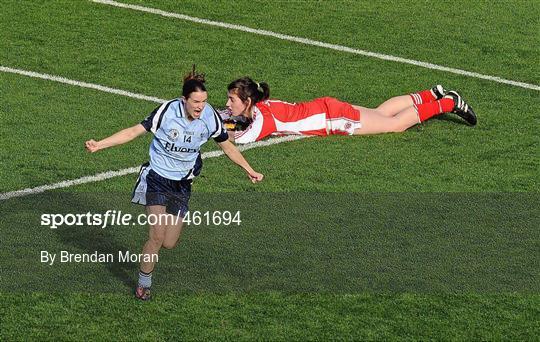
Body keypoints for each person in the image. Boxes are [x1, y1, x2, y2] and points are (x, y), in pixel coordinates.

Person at [85, 68, 263, 300]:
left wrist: (249, 170)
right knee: (157, 236)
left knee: (169, 243)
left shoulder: (210, 117)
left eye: (204, 101)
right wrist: (100, 144)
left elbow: (227, 146)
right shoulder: (168, 111)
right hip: (157, 179)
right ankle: (143, 284)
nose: (201, 106)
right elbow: (133, 131)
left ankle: (148, 267)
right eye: (196, 102)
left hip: (182, 184)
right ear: (184, 100)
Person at [224, 77, 477, 144]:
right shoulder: (261, 106)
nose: (227, 105)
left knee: (394, 125)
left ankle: (449, 103)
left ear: (247, 102)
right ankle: (431, 94)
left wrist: (218, 127)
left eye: (231, 101)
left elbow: (241, 138)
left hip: (334, 118)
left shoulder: (264, 120)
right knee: (381, 113)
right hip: (329, 108)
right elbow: (231, 119)